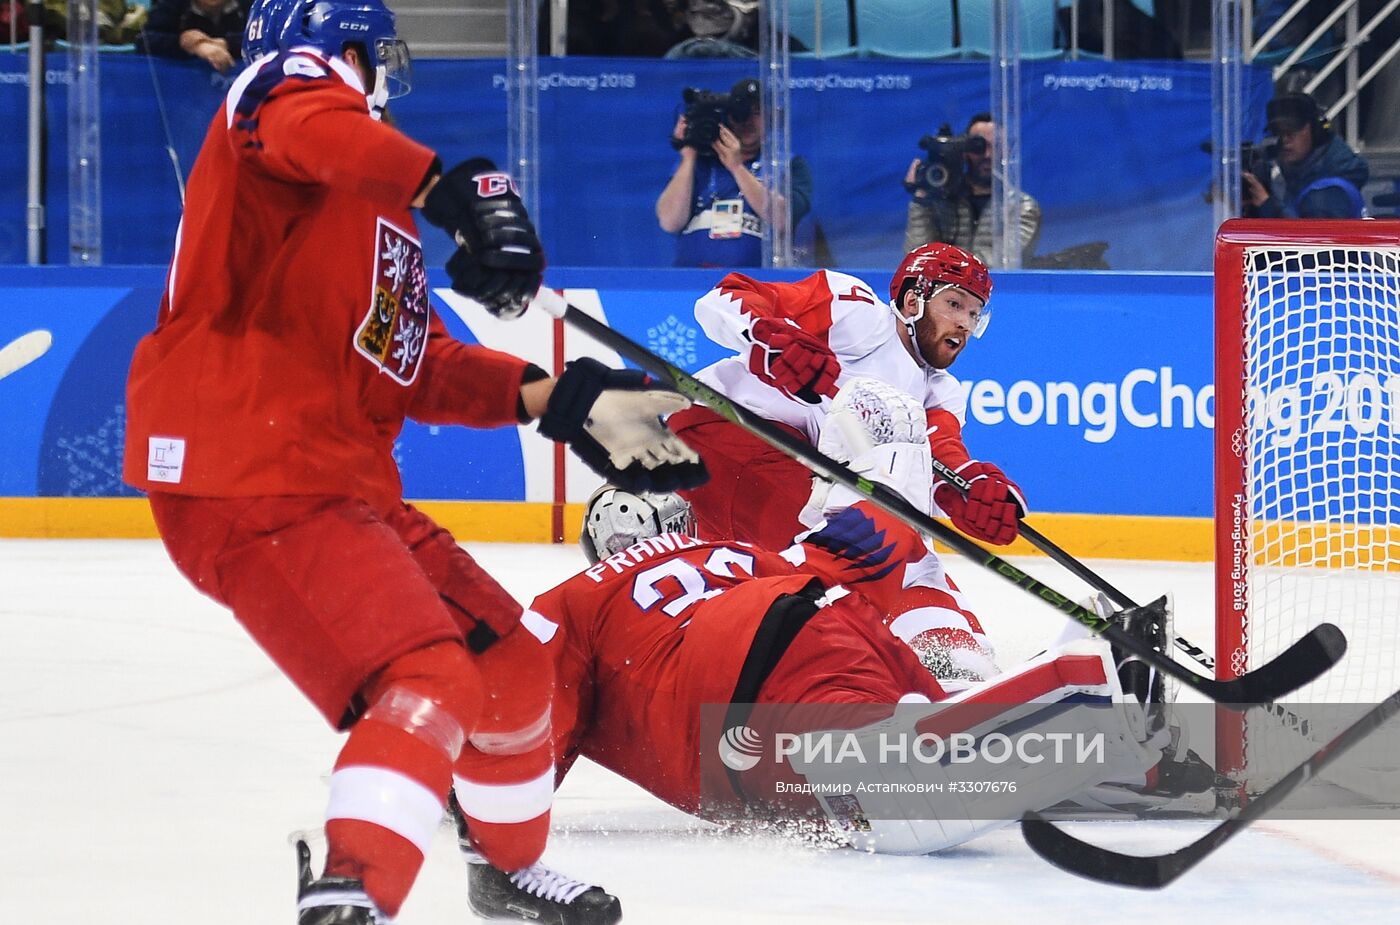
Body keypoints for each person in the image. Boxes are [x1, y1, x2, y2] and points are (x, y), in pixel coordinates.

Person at [120, 1, 704, 923]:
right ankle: (353, 890)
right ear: (343, 50)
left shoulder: (369, 211)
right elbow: (319, 122)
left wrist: (562, 398)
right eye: (374, 50)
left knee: (513, 665)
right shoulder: (279, 96)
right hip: (250, 471)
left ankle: (504, 871)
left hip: (340, 484)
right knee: (427, 676)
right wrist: (453, 190)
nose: (387, 69)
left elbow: (416, 364)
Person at [534, 393, 1214, 855]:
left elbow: (527, 733)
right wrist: (882, 489)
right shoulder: (727, 549)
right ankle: (1088, 682)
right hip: (826, 619)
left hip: (743, 686)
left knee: (900, 797)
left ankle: (1092, 687)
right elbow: (843, 558)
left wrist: (459, 787)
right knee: (928, 725)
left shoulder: (573, 601)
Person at [668, 243, 1022, 688]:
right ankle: (927, 651)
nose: (963, 324)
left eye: (974, 314)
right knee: (855, 547)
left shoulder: (941, 392)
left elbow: (938, 458)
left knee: (896, 523)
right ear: (913, 300)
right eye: (954, 304)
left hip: (792, 475)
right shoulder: (858, 314)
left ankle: (947, 644)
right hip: (720, 430)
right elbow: (725, 297)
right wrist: (770, 333)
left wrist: (968, 490)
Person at [655, 77, 813, 268]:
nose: (746, 121)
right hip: (693, 282)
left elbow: (783, 219)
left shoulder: (786, 163)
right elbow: (669, 221)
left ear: (771, 117)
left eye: (756, 113)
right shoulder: (700, 163)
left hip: (758, 285)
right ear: (727, 118)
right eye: (739, 114)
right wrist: (688, 155)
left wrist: (737, 167)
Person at [902, 113, 1041, 264]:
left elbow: (1004, 262)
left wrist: (944, 267)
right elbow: (917, 260)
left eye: (997, 146)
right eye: (979, 147)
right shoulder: (942, 200)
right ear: (965, 149)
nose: (988, 154)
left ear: (1007, 151)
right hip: (945, 287)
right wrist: (921, 200)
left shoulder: (1022, 207)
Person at [1244, 91, 1370, 219]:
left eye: (1292, 130)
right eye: (1278, 132)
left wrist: (1268, 207)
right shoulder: (1305, 178)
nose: (1285, 139)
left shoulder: (1325, 194)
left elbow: (1313, 238)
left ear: (1316, 131)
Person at [136, 0, 250, 72]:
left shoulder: (253, 5)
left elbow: (265, 40)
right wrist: (189, 44)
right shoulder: (172, 5)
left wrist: (227, 44)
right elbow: (144, 41)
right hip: (184, 92)